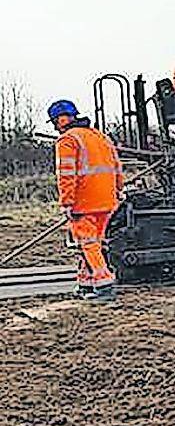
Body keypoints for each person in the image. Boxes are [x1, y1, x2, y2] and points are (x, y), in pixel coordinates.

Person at [49, 100, 124, 301]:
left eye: (55, 122)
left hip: (84, 203)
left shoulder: (67, 140)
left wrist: (67, 203)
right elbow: (117, 167)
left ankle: (104, 285)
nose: (56, 126)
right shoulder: (100, 137)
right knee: (93, 243)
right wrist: (118, 191)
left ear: (61, 119)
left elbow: (66, 175)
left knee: (88, 244)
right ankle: (85, 283)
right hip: (107, 200)